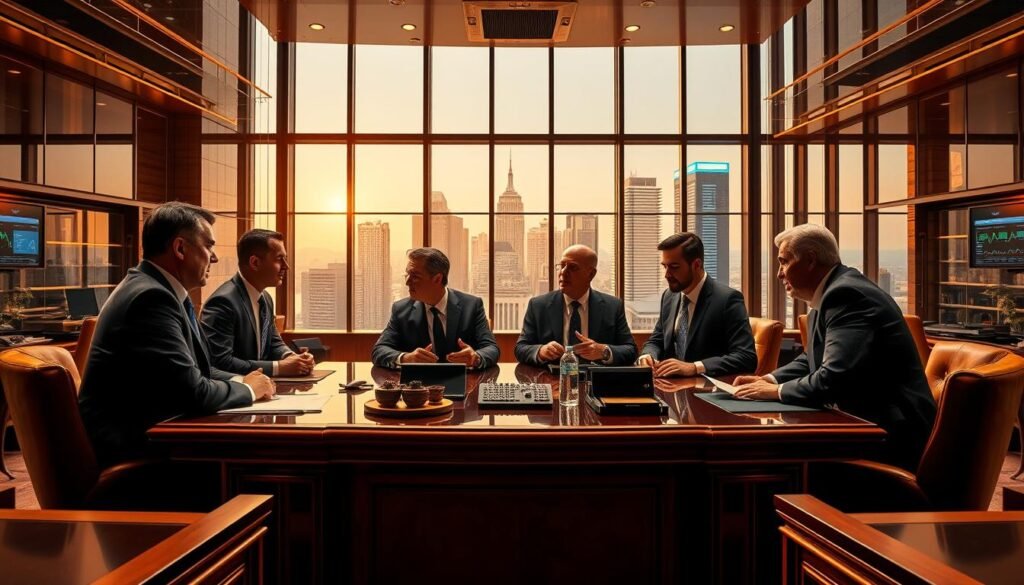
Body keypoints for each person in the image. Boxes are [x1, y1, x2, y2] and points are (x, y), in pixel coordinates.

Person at [79, 202, 275, 467]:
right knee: (261, 461)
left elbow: (197, 371)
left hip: (156, 438)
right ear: (180, 248)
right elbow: (193, 393)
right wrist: (248, 389)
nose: (215, 258)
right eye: (209, 246)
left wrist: (245, 379)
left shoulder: (159, 290)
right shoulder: (151, 299)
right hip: (137, 455)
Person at [733, 223, 936, 470]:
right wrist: (768, 380)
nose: (779, 274)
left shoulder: (847, 295)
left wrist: (775, 392)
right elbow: (811, 358)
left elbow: (834, 378)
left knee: (771, 461)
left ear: (810, 260)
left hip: (891, 436)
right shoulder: (832, 291)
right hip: (864, 425)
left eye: (784, 262)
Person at [638, 233, 757, 377]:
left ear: (696, 265)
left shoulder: (728, 300)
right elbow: (657, 340)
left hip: (707, 387)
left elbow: (746, 357)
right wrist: (648, 356)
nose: (667, 274)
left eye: (674, 267)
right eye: (665, 267)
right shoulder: (669, 296)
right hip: (669, 385)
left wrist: (695, 367)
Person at [201, 229, 315, 377]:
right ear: (255, 263)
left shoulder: (265, 298)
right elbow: (220, 362)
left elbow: (273, 342)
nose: (286, 266)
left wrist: (293, 358)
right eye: (279, 259)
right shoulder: (223, 303)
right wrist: (278, 367)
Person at [371, 247, 499, 369]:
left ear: (437, 279)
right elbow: (379, 350)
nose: (407, 282)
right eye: (407, 274)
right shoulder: (401, 310)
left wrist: (475, 358)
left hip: (464, 380)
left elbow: (492, 348)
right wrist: (406, 358)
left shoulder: (471, 306)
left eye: (415, 276)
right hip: (419, 382)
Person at [515, 245, 637, 366]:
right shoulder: (538, 306)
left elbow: (631, 350)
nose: (563, 272)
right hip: (553, 376)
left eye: (572, 267)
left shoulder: (612, 307)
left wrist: (604, 351)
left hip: (597, 377)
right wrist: (541, 351)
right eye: (562, 266)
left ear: (591, 274)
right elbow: (520, 348)